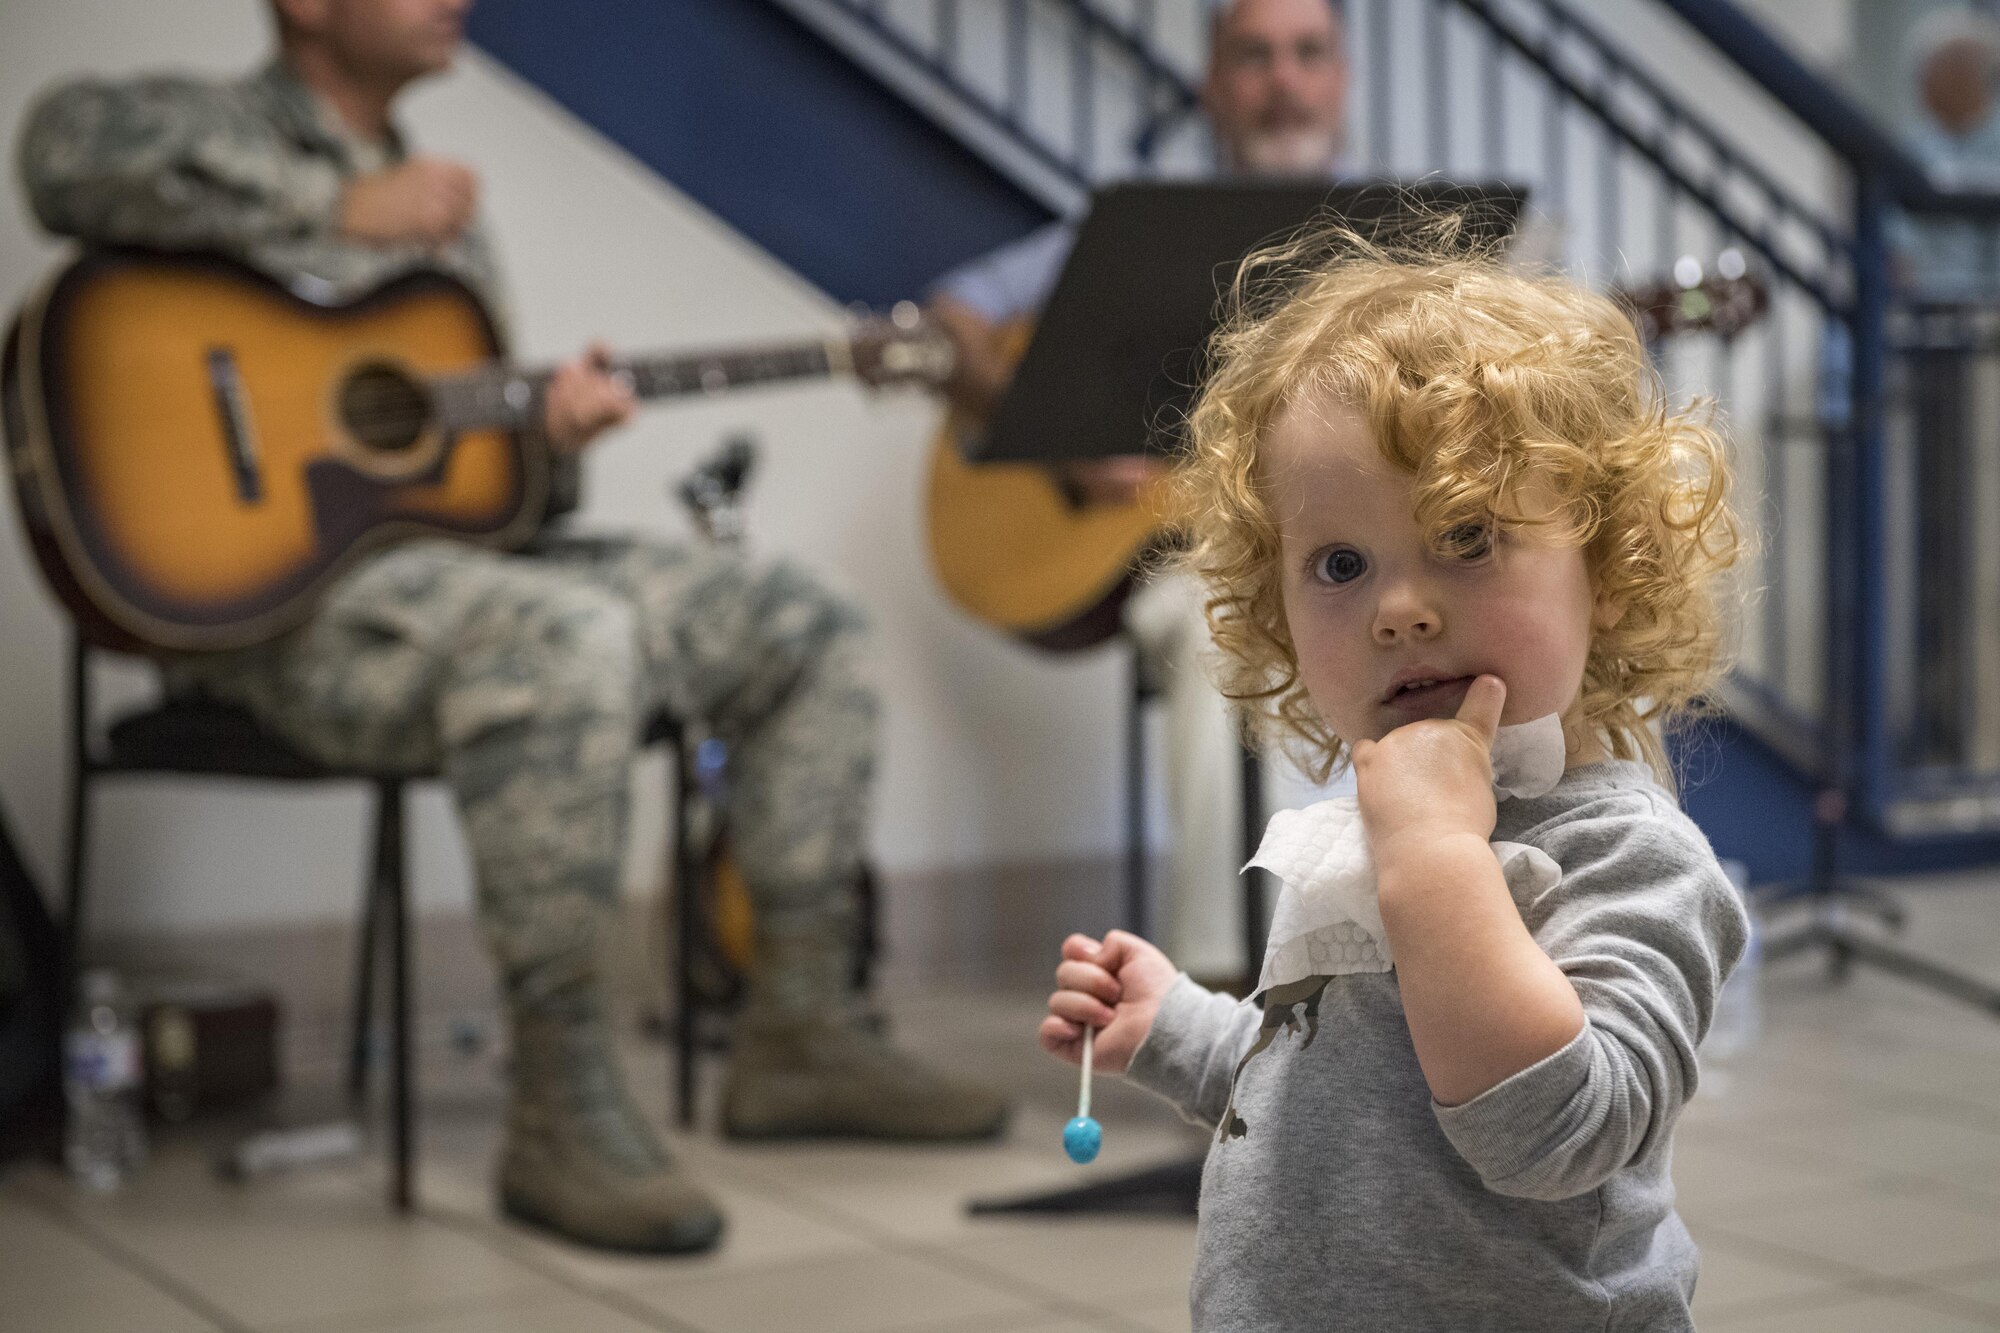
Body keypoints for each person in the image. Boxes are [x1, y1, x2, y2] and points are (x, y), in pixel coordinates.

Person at [18, 0, 1007, 1255]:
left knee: (796, 616)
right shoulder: (209, 132)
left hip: (455, 575)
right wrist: (322, 212)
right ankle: (558, 1098)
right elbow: (55, 151)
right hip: (284, 612)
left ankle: (801, 1031)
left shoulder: (443, 204)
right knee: (562, 639)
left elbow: (453, 474)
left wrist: (549, 443)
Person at [1040, 225, 1750, 1328]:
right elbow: (1333, 1087)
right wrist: (1178, 1029)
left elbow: (1556, 1133)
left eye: (1465, 537)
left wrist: (1432, 861)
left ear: (1603, 571)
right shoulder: (1367, 826)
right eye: (1338, 564)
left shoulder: (1626, 856)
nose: (1398, 607)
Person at [927, 0, 1353, 983]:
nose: (1282, 81)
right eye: (1253, 57)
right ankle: (1227, 992)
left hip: (1343, 556)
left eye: (1305, 54)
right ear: (1211, 86)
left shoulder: (1394, 243)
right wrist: (1066, 442)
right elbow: (948, 318)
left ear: (1339, 79)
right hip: (1179, 559)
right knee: (1227, 628)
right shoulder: (1137, 228)